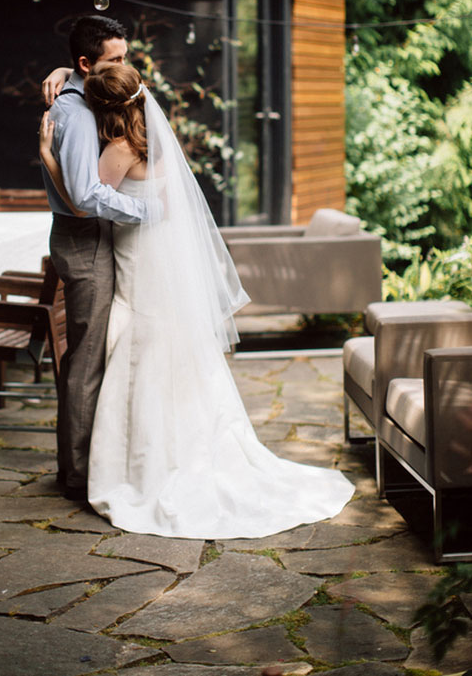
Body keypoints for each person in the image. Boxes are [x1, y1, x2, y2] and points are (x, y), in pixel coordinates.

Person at [40, 63, 355, 539]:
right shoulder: (154, 138)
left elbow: (84, 202)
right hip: (157, 252)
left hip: (137, 256)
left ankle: (143, 464)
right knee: (173, 348)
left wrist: (49, 158)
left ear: (105, 111)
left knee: (138, 347)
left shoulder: (120, 149)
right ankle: (185, 446)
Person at [40, 16, 156, 502]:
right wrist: (150, 209)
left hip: (92, 238)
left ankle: (88, 460)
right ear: (88, 64)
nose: (126, 68)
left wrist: (63, 71)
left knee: (93, 353)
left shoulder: (85, 94)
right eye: (116, 59)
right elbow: (85, 197)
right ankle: (77, 473)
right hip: (84, 242)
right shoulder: (76, 115)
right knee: (86, 360)